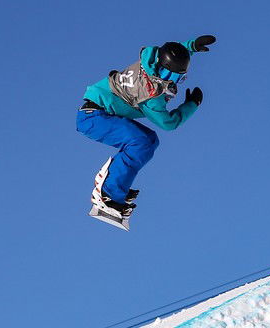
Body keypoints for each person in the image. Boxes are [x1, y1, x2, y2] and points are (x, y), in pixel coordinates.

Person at [77, 35, 216, 224]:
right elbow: (168, 123)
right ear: (164, 71)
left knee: (150, 140)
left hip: (96, 112)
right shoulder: (151, 95)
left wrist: (190, 47)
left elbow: (167, 53)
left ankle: (119, 184)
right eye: (173, 77)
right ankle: (108, 193)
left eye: (180, 77)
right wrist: (191, 104)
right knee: (140, 143)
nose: (174, 82)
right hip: (94, 117)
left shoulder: (151, 58)